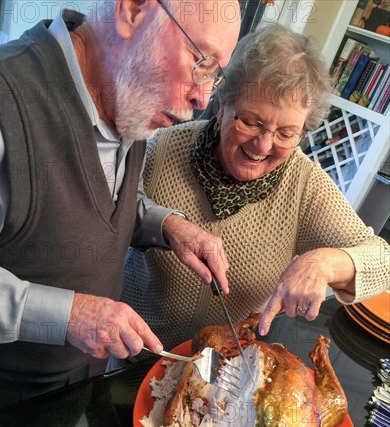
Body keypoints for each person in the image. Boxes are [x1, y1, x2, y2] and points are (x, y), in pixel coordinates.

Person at [0, 0, 241, 411]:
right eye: (199, 60)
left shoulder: (125, 91)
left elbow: (97, 198)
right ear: (133, 10)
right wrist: (68, 315)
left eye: (215, 74)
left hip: (78, 379)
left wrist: (169, 225)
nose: (202, 99)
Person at [119, 22, 390, 374]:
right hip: (131, 356)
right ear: (222, 104)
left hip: (224, 375)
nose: (262, 146)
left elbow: (383, 261)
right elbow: (110, 213)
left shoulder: (304, 184)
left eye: (286, 133)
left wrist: (322, 263)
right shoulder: (164, 147)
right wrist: (167, 224)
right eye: (251, 122)